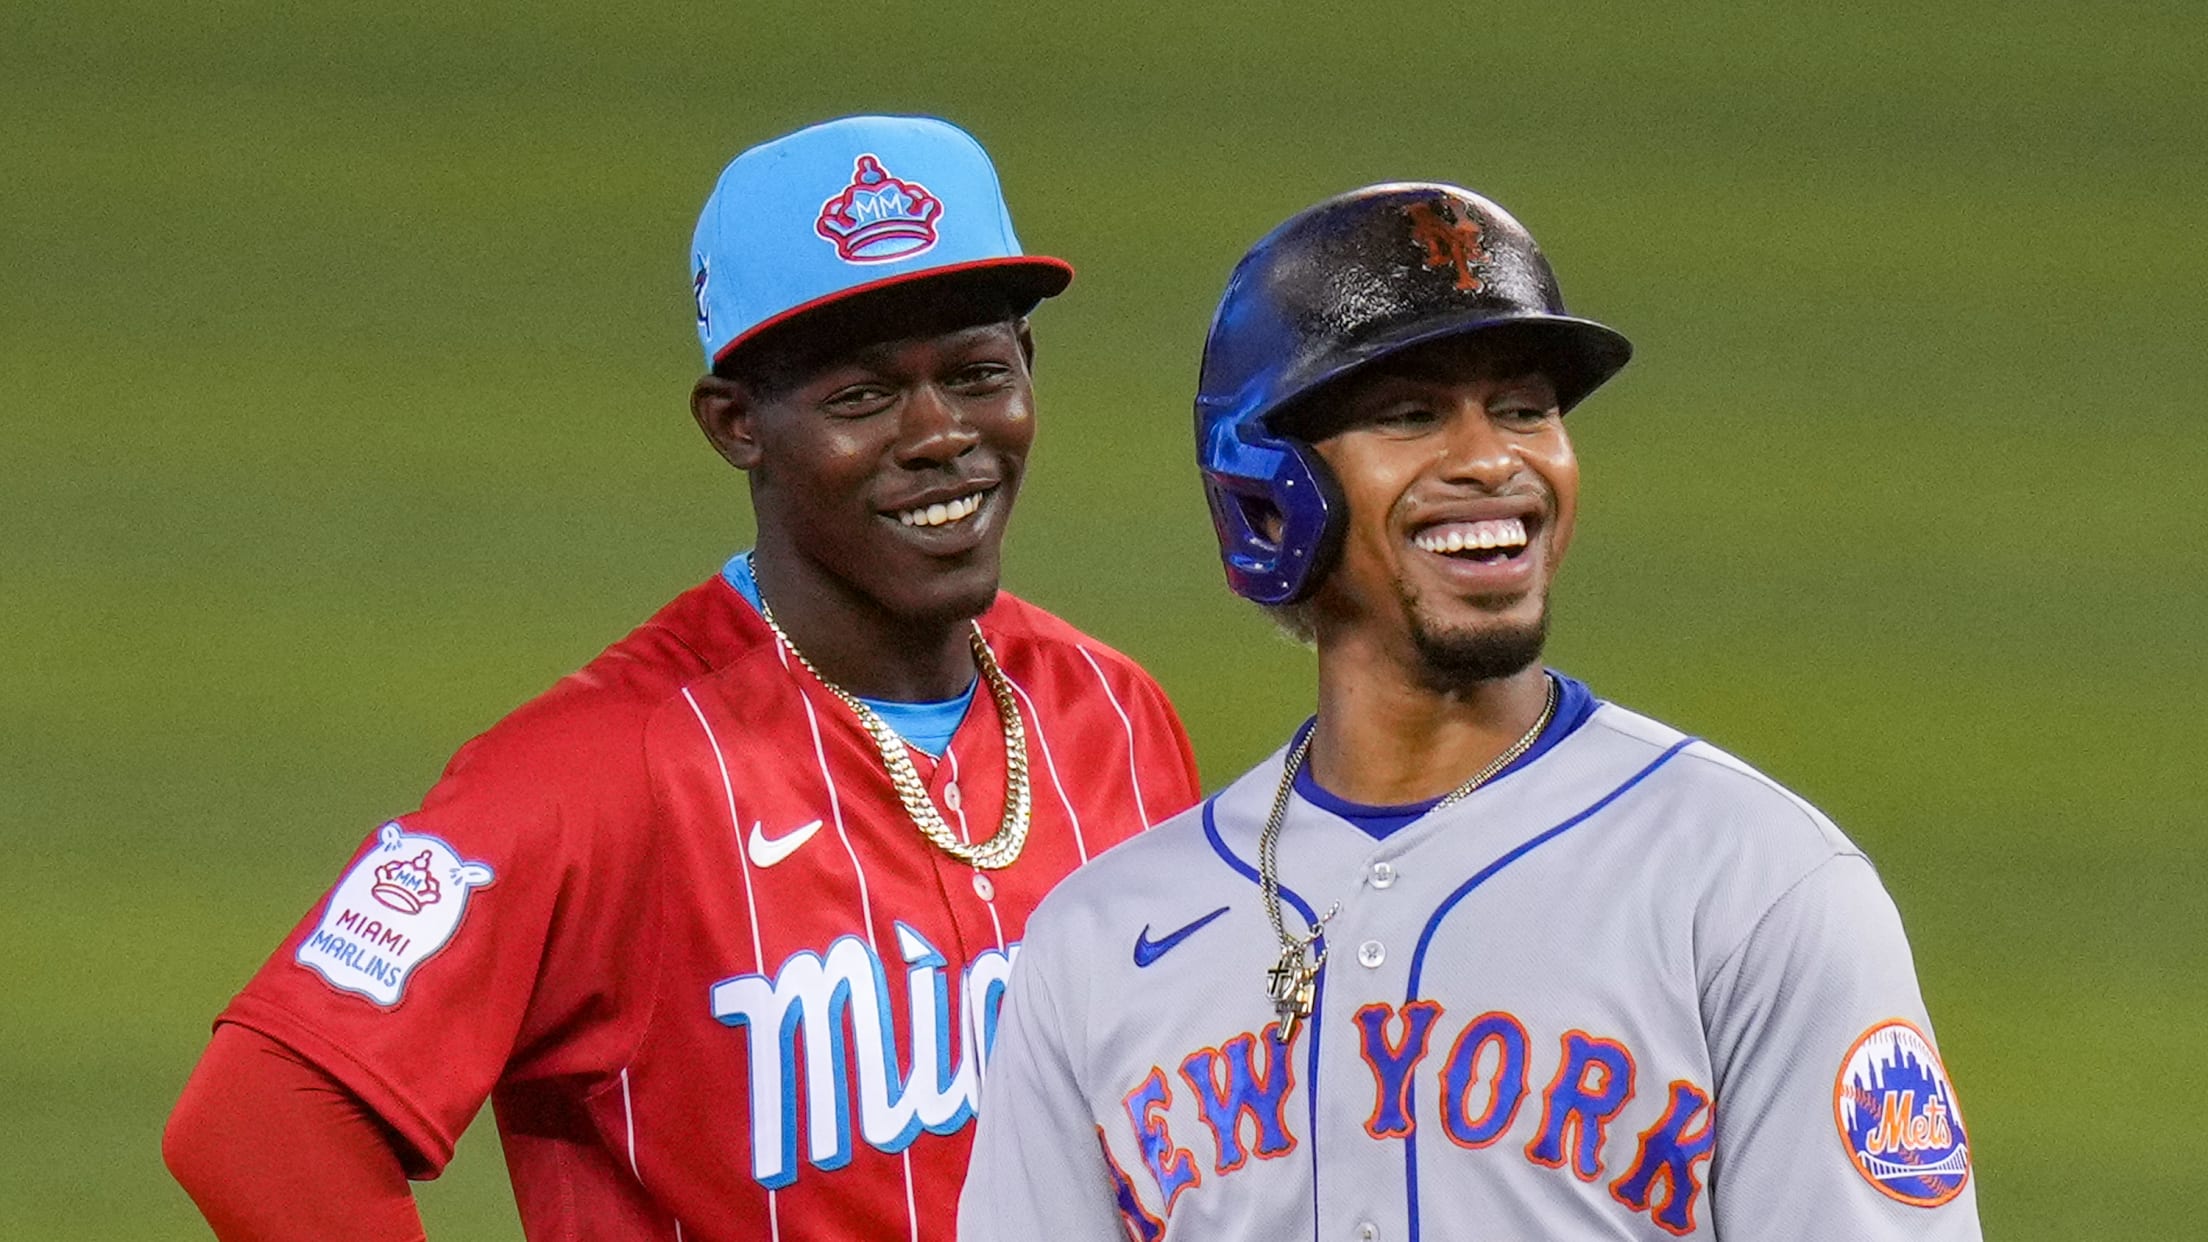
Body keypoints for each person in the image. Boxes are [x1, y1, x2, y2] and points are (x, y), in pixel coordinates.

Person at [163, 114, 1201, 1242]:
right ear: (737, 425)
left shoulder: (1113, 713)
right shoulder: (601, 774)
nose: (941, 433)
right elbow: (260, 1115)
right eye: (861, 396)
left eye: (976, 373)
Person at [959, 183, 1981, 1240]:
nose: (1495, 461)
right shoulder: (1100, 942)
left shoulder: (1751, 886)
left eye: (1526, 409)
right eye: (1411, 414)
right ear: (1272, 488)